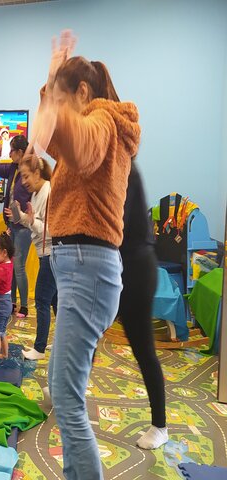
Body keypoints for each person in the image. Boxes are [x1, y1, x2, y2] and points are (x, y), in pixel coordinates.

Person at [31, 30, 141, 480]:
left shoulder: (105, 123)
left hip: (88, 269)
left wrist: (57, 85)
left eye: (64, 95)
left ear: (82, 93)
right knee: (63, 392)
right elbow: (45, 136)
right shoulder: (89, 121)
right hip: (80, 270)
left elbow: (82, 144)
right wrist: (51, 78)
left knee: (68, 399)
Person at [119, 162, 168, 449]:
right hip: (122, 265)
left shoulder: (125, 168)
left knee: (143, 348)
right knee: (89, 332)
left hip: (136, 268)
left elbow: (115, 219)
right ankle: (66, 397)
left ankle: (160, 425)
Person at [10, 155, 55, 361]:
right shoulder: (37, 194)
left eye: (26, 176)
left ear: (37, 173)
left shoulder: (48, 192)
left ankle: (39, 348)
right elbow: (36, 223)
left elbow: (50, 230)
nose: (24, 181)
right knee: (55, 300)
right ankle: (60, 340)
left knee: (42, 300)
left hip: (51, 253)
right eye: (21, 178)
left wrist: (30, 221)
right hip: (45, 252)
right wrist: (23, 217)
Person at [0, 134, 32, 318]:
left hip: (23, 226)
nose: (9, 153)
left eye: (12, 150)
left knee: (19, 266)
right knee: (13, 264)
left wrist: (17, 216)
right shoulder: (13, 168)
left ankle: (23, 306)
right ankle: (13, 302)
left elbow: (29, 201)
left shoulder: (30, 169)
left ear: (21, 152)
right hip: (12, 225)